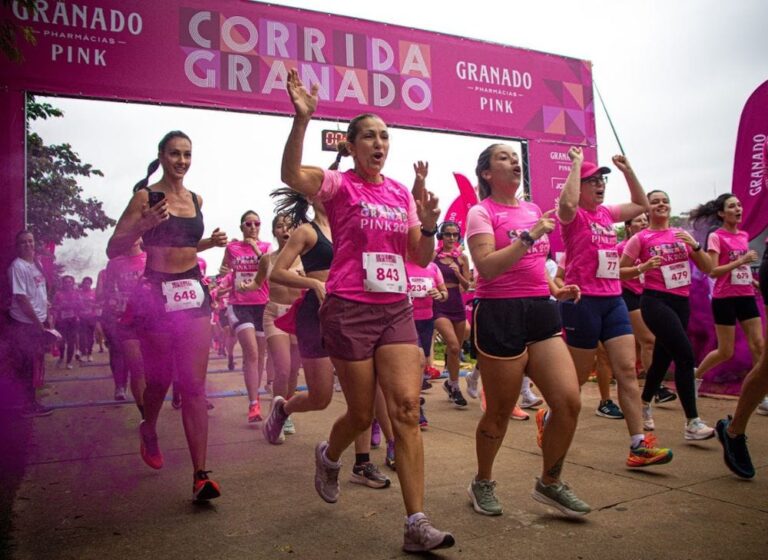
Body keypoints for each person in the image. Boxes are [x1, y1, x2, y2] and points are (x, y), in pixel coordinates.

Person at [280, 69, 453, 553]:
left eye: (385, 136)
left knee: (405, 407)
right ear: (353, 146)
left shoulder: (400, 193)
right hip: (350, 308)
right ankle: (330, 454)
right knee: (359, 413)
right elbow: (292, 176)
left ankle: (416, 521)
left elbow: (419, 258)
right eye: (369, 136)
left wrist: (432, 224)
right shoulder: (339, 185)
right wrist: (301, 121)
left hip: (395, 307)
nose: (379, 143)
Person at [465, 143, 589, 518]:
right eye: (503, 158)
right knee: (500, 412)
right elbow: (486, 268)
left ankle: (550, 483)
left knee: (568, 401)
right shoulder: (480, 213)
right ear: (487, 173)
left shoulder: (532, 209)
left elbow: (537, 265)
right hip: (499, 313)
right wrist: (529, 236)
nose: (514, 162)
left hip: (540, 309)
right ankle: (482, 481)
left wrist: (556, 289)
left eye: (515, 159)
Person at [107, 130, 228, 501]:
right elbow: (114, 248)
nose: (181, 161)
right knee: (159, 380)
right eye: (174, 154)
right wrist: (143, 224)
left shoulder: (195, 198)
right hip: (156, 293)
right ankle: (149, 426)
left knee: (192, 384)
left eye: (187, 155)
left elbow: (186, 244)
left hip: (192, 292)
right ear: (161, 156)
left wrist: (210, 244)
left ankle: (201, 475)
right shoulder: (146, 197)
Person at [263, 189, 391, 488]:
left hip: (353, 314)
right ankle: (284, 408)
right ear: (313, 197)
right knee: (320, 397)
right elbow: (277, 274)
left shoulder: (353, 228)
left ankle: (362, 464)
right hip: (315, 315)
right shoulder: (306, 232)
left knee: (363, 395)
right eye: (327, 191)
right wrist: (312, 283)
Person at [557, 149, 673, 466]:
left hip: (613, 300)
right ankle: (550, 415)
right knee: (576, 380)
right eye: (592, 181)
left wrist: (628, 170)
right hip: (583, 302)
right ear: (579, 185)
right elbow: (565, 204)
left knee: (626, 371)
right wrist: (577, 164)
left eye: (601, 180)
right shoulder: (572, 215)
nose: (599, 185)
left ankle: (639, 446)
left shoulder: (607, 214)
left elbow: (642, 205)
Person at [619, 189, 714, 440]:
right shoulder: (640, 238)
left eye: (665, 201)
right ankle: (692, 422)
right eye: (655, 202)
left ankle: (645, 401)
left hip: (681, 302)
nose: (661, 205)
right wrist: (644, 266)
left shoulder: (683, 236)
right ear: (647, 209)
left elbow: (709, 269)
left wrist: (695, 245)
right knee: (684, 356)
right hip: (654, 301)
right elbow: (620, 272)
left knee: (661, 359)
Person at [688, 194, 764, 394]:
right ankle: (694, 377)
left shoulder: (743, 236)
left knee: (758, 344)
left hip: (746, 295)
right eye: (732, 206)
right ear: (722, 213)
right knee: (725, 351)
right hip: (725, 299)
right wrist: (741, 261)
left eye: (739, 205)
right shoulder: (716, 237)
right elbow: (713, 270)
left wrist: (753, 281)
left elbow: (741, 268)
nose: (738, 209)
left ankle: (760, 393)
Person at [239, 213, 303, 435]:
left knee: (294, 372)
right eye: (279, 226)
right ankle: (277, 411)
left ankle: (285, 412)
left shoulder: (306, 258)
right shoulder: (268, 259)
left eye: (289, 225)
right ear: (275, 232)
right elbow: (258, 284)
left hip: (299, 316)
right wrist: (245, 286)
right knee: (283, 370)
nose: (285, 229)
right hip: (274, 314)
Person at [618, 215, 678, 405]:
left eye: (645, 219)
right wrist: (640, 269)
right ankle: (657, 388)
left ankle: (633, 387)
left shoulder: (652, 245)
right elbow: (616, 273)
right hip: (629, 296)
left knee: (639, 345)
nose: (643, 223)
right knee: (649, 341)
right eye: (637, 220)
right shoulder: (621, 248)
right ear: (628, 227)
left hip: (650, 296)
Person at [222, 210, 272, 423]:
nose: (253, 227)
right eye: (248, 224)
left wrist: (254, 247)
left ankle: (256, 393)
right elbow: (225, 269)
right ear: (241, 227)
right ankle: (253, 403)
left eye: (256, 223)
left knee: (260, 355)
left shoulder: (266, 247)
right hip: (240, 304)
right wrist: (225, 271)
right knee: (251, 352)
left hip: (262, 304)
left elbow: (270, 269)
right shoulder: (232, 248)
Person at [7, 230, 53, 417]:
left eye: (31, 241)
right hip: (25, 324)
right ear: (18, 246)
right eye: (23, 242)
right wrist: (37, 322)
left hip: (38, 321)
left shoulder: (36, 265)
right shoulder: (17, 267)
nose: (28, 245)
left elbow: (39, 293)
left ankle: (32, 403)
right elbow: (21, 297)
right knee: (26, 367)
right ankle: (26, 406)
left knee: (35, 365)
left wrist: (46, 314)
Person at [100, 239, 147, 408]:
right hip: (125, 319)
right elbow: (109, 291)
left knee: (152, 367)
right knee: (135, 365)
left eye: (137, 235)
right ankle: (143, 413)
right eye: (130, 234)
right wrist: (113, 314)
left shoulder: (151, 258)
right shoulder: (114, 263)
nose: (133, 239)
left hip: (150, 318)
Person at [433, 221, 471, 407]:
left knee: (455, 350)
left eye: (455, 234)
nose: (451, 238)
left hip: (457, 302)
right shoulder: (434, 256)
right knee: (454, 346)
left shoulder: (462, 258)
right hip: (439, 303)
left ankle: (452, 384)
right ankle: (455, 386)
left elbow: (467, 286)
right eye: (448, 234)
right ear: (441, 236)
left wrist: (458, 274)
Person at [52, 275, 80, 370]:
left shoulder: (76, 293)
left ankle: (68, 362)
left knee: (71, 342)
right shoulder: (58, 294)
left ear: (73, 283)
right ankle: (61, 357)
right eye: (66, 282)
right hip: (61, 321)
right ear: (62, 283)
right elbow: (53, 306)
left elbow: (80, 305)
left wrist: (72, 306)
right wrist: (60, 307)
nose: (68, 284)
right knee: (61, 342)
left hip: (72, 321)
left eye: (70, 282)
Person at [77, 276, 98, 362]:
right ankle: (83, 353)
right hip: (81, 317)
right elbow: (75, 305)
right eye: (85, 283)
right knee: (82, 336)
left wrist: (92, 305)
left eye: (88, 283)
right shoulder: (78, 293)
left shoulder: (94, 293)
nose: (86, 285)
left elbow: (98, 304)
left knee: (90, 337)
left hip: (91, 317)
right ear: (83, 284)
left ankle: (89, 353)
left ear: (90, 284)